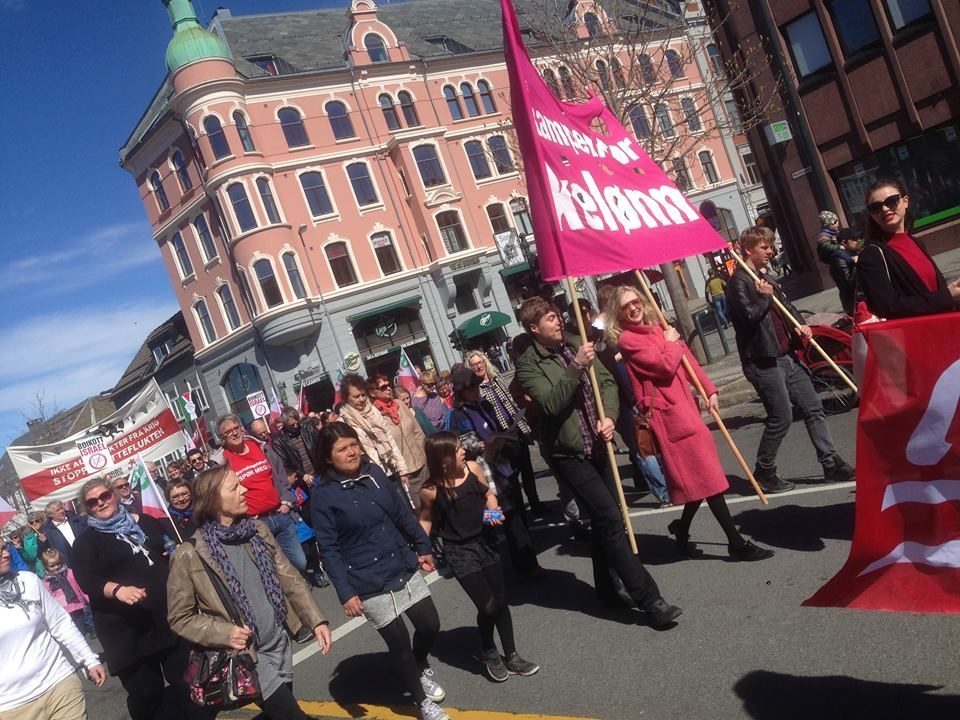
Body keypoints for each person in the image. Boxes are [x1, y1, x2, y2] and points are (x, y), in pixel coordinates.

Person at [515, 297, 682, 627]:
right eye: (550, 318)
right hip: (568, 453)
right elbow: (550, 404)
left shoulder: (575, 343)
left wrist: (609, 416)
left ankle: (605, 590)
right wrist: (576, 366)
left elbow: (606, 382)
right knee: (609, 518)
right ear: (534, 328)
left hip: (598, 444)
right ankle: (650, 599)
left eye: (557, 315)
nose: (558, 320)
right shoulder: (528, 365)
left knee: (605, 520)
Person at [607, 286, 774, 561]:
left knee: (698, 479)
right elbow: (663, 367)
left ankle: (681, 527)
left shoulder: (659, 328)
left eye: (636, 301)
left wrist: (709, 389)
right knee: (707, 477)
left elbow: (687, 361)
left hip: (686, 409)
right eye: (626, 306)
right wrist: (671, 342)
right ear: (619, 313)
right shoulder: (628, 341)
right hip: (669, 417)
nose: (634, 308)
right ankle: (736, 543)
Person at [167, 466, 332, 720]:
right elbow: (180, 617)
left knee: (278, 713)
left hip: (278, 641)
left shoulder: (257, 530)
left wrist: (316, 619)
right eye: (234, 487)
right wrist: (224, 632)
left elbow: (289, 577)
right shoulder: (189, 554)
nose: (244, 490)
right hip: (246, 655)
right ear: (213, 500)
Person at [310, 423, 447, 720]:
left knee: (430, 625)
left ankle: (419, 664)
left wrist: (423, 546)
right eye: (342, 449)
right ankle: (422, 702)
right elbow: (329, 550)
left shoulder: (374, 474)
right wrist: (346, 592)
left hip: (400, 563)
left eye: (353, 444)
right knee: (399, 643)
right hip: (366, 579)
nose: (352, 452)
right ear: (328, 458)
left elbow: (401, 514)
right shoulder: (323, 496)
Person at [725, 226, 856, 493]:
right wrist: (764, 298)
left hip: (787, 355)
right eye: (764, 247)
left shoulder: (766, 278)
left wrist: (801, 325)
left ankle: (830, 463)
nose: (770, 251)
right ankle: (765, 470)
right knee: (781, 417)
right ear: (748, 249)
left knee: (813, 408)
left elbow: (787, 308)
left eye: (771, 246)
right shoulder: (738, 282)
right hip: (763, 360)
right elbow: (748, 318)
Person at [419, 433, 540, 682]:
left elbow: (488, 494)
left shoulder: (473, 468)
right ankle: (488, 649)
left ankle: (512, 655)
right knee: (488, 605)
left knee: (501, 601)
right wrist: (422, 549)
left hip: (486, 542)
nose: (463, 451)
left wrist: (493, 509)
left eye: (461, 447)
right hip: (459, 551)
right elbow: (426, 519)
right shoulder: (430, 490)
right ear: (443, 460)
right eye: (457, 449)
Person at [71, 477, 185, 720]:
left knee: (185, 681)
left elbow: (167, 548)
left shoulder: (146, 522)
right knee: (147, 693)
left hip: (166, 617)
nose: (100, 503)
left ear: (115, 495)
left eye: (105, 496)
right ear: (87, 508)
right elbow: (86, 580)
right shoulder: (86, 542)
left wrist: (173, 553)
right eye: (92, 502)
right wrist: (117, 590)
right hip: (126, 631)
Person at [449, 368, 542, 577]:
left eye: (476, 387)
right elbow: (462, 442)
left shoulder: (486, 405)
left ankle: (526, 563)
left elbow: (497, 427)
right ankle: (502, 566)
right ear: (461, 393)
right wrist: (482, 444)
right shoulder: (458, 415)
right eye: (470, 389)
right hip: (483, 474)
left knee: (516, 514)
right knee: (495, 518)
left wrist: (506, 436)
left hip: (503, 467)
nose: (475, 391)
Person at [0, 545, 106, 720]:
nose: (6, 554)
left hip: (59, 684)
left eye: (5, 548)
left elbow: (59, 623)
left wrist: (89, 660)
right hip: (11, 706)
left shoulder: (28, 580)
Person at [211, 415, 307, 573]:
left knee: (299, 562)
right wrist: (243, 518)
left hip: (280, 514)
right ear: (222, 438)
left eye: (236, 428)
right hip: (256, 524)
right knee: (273, 569)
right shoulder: (222, 463)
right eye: (228, 432)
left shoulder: (260, 446)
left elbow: (280, 473)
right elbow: (223, 497)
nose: (234, 433)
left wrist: (286, 500)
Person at [857, 178, 960, 319]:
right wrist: (946, 296)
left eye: (891, 201)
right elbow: (888, 307)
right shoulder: (872, 254)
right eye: (875, 207)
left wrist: (952, 294)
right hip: (919, 331)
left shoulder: (916, 242)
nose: (885, 209)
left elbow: (933, 287)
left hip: (946, 322)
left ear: (905, 201)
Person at [465, 350, 543, 514]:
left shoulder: (496, 377)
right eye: (474, 365)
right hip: (501, 435)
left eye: (480, 362)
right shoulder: (477, 389)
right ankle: (519, 508)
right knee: (511, 474)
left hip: (516, 428)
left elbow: (510, 399)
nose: (478, 366)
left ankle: (535, 503)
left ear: (485, 362)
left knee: (527, 469)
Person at [369, 374, 429, 513]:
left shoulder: (400, 404)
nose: (388, 389)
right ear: (372, 392)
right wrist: (399, 469)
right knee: (421, 511)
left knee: (437, 501)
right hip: (405, 474)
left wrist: (423, 454)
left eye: (388, 385)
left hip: (422, 464)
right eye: (383, 387)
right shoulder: (374, 416)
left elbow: (417, 432)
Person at [337, 374, 409, 480]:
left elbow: (389, 438)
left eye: (363, 395)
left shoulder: (373, 411)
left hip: (391, 469)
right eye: (356, 396)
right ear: (346, 397)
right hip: (369, 475)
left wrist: (402, 469)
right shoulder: (343, 422)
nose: (361, 399)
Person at [41, 548, 95, 637]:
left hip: (77, 606)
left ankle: (90, 630)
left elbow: (80, 587)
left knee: (82, 629)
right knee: (73, 634)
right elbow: (49, 600)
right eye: (52, 566)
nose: (56, 567)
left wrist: (88, 599)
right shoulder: (47, 583)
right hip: (62, 612)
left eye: (58, 563)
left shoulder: (69, 573)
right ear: (46, 566)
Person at [272, 407, 320, 492]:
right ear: (285, 424)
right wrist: (301, 475)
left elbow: (320, 447)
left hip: (319, 474)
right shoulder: (278, 441)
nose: (296, 426)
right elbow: (284, 465)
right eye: (292, 425)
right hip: (302, 482)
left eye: (297, 422)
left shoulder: (308, 428)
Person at [823, 228, 862, 315]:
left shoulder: (854, 254)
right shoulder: (839, 260)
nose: (858, 240)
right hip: (854, 303)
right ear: (844, 242)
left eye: (859, 238)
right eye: (854, 239)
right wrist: (856, 265)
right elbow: (849, 283)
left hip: (862, 299)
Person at [43, 500, 88, 566]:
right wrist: (42, 543)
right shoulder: (48, 531)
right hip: (68, 565)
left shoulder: (76, 520)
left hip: (87, 557)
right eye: (58, 510)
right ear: (50, 515)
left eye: (61, 508)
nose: (61, 511)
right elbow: (46, 551)